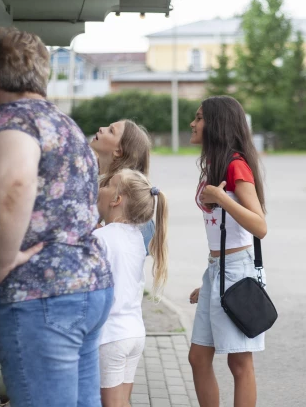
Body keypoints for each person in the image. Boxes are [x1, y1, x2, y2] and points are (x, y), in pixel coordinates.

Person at [0, 27, 113, 407]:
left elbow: (16, 185)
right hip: (88, 284)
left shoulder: (12, 119)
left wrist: (6, 258)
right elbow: (43, 208)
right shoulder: (64, 125)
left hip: (41, 295)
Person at [187, 96, 268, 407]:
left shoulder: (236, 165)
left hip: (237, 269)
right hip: (218, 270)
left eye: (199, 118)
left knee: (239, 364)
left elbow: (260, 226)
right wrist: (209, 281)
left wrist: (223, 199)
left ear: (216, 124)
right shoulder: (214, 165)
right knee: (198, 357)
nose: (193, 124)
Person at [93, 169, 168, 407]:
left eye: (107, 184)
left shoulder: (101, 238)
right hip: (134, 333)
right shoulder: (136, 236)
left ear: (117, 200)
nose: (100, 187)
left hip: (110, 336)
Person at [89, 119, 155, 250]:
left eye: (111, 131)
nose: (102, 128)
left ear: (119, 151)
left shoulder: (119, 190)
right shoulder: (86, 171)